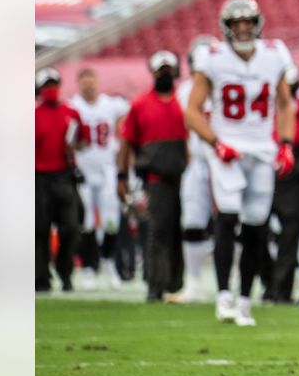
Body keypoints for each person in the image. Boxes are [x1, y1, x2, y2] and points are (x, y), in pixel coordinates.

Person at [184, 0, 296, 326]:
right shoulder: (213, 58)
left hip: (262, 149)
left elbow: (285, 104)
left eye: (248, 22)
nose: (244, 29)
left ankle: (245, 299)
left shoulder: (274, 55)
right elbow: (192, 110)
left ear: (258, 24)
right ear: (227, 27)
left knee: (256, 227)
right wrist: (216, 143)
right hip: (228, 148)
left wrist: (286, 143)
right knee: (227, 218)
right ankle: (223, 297)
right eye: (237, 23)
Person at [118, 52, 190, 301]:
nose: (165, 74)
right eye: (161, 70)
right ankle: (156, 285)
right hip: (156, 177)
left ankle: (174, 283)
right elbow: (127, 142)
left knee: (178, 231)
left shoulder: (184, 100)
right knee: (158, 230)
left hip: (184, 175)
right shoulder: (140, 104)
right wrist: (122, 176)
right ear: (153, 72)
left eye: (169, 69)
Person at [69, 68, 130, 288]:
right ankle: (88, 268)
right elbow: (67, 140)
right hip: (83, 170)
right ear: (78, 84)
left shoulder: (111, 104)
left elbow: (127, 119)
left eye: (91, 81)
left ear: (97, 81)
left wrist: (122, 135)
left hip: (107, 168)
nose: (88, 85)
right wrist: (75, 145)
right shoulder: (73, 106)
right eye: (83, 81)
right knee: (86, 223)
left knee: (111, 221)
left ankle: (108, 262)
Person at [171, 35, 218, 303]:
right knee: (191, 221)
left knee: (233, 222)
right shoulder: (185, 90)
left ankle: (232, 282)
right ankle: (194, 283)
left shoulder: (225, 84)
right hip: (197, 161)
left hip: (225, 160)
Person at [268, 65, 299, 303]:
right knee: (254, 229)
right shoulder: (264, 106)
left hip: (294, 173)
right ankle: (268, 280)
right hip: (264, 166)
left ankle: (282, 288)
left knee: (291, 231)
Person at [36, 68, 86, 293]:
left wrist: (72, 147)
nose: (51, 90)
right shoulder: (33, 114)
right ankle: (40, 277)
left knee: (71, 228)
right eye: (47, 86)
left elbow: (83, 141)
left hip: (64, 176)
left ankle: (65, 273)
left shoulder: (71, 113)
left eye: (54, 84)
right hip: (39, 177)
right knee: (39, 230)